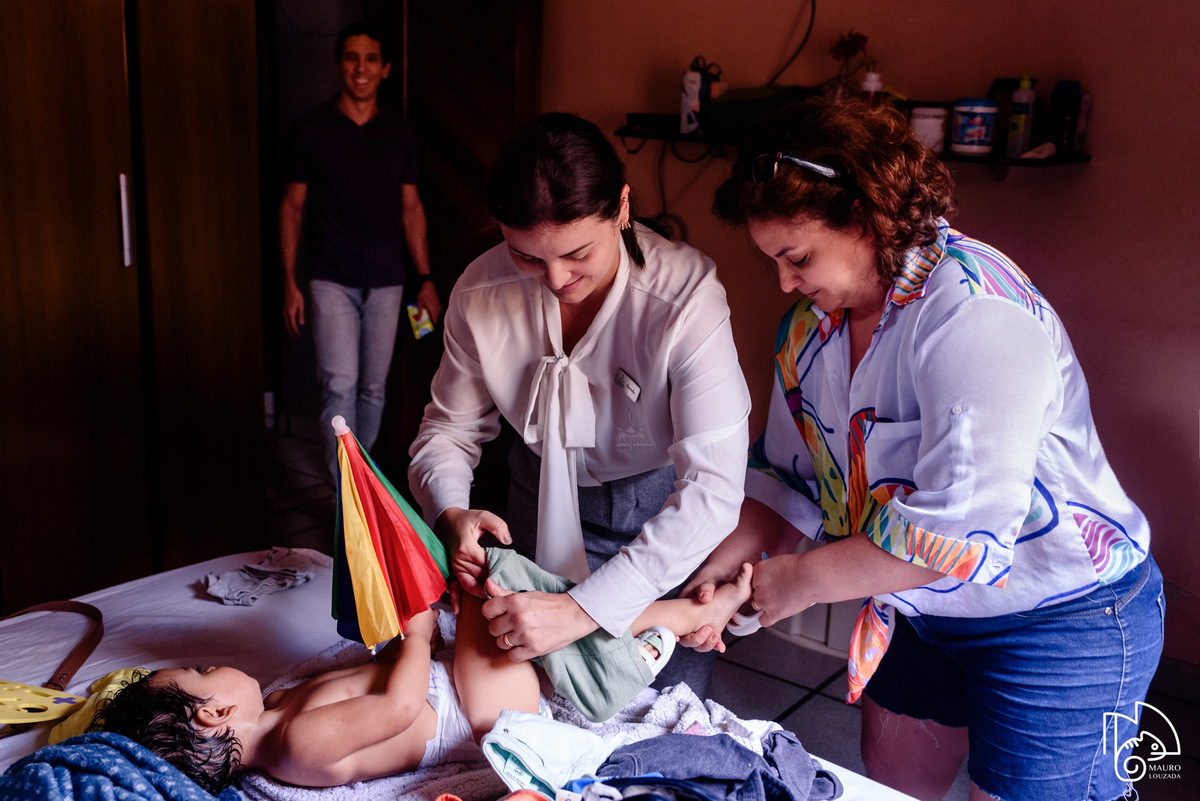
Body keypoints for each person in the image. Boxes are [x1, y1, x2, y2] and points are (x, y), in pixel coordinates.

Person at [683, 95, 1163, 801]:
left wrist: (796, 581)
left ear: (865, 216)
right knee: (893, 785)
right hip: (919, 609)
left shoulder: (974, 314)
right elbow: (789, 478)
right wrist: (722, 572)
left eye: (797, 257)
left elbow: (955, 535)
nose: (786, 283)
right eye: (774, 263)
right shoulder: (808, 333)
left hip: (1060, 615)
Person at [406, 113, 751, 697]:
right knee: (517, 709)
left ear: (621, 206)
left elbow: (713, 493)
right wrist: (450, 512)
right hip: (529, 510)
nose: (555, 278)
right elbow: (448, 429)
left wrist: (582, 613)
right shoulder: (478, 292)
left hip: (660, 528)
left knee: (654, 716)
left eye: (576, 253)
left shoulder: (686, 300)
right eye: (526, 257)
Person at [88, 573, 753, 794]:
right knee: (491, 592)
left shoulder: (284, 707)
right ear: (215, 713)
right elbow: (401, 706)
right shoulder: (298, 740)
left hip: (465, 693)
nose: (216, 663)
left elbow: (357, 679)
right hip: (484, 715)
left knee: (512, 606)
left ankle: (672, 621)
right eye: (205, 671)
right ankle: (668, 629)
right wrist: (416, 632)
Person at [280, 21, 442, 479]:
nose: (361, 68)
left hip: (389, 281)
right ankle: (343, 493)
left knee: (373, 389)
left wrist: (425, 279)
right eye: (351, 57)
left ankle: (358, 480)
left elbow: (412, 210)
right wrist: (289, 281)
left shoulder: (400, 134)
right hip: (329, 277)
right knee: (340, 385)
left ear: (385, 69)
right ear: (338, 66)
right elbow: (291, 209)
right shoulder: (309, 131)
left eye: (371, 58)